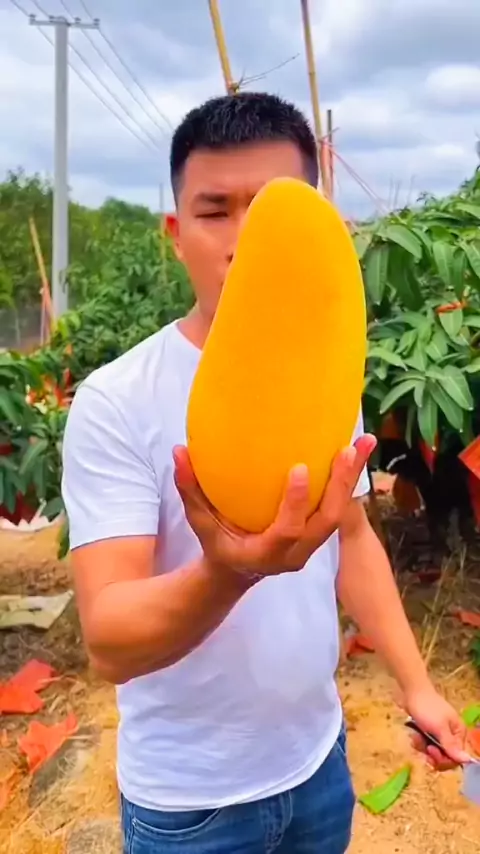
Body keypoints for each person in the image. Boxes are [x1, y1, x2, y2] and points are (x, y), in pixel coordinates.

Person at [62, 92, 469, 854]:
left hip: (319, 764)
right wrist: (230, 572)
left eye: (273, 212)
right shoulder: (116, 400)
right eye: (215, 211)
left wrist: (417, 685)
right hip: (192, 805)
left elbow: (351, 536)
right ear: (176, 235)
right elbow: (109, 640)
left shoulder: (323, 373)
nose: (245, 239)